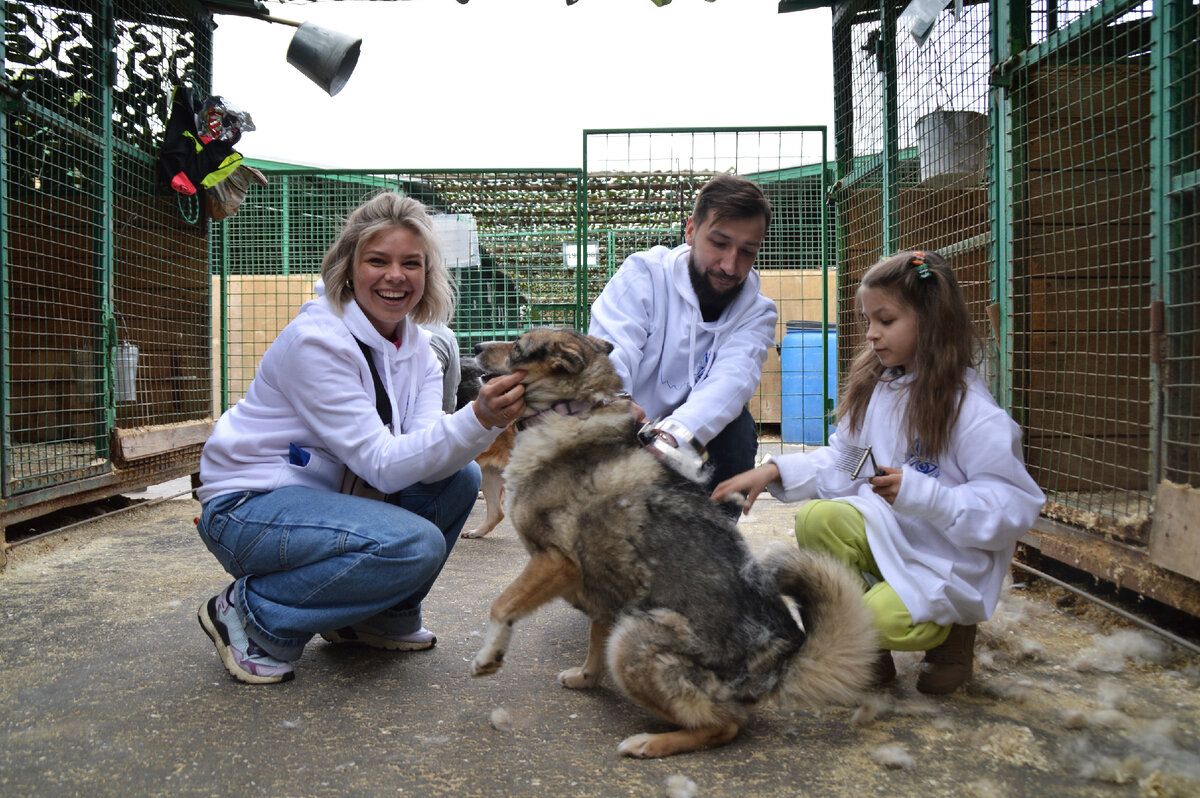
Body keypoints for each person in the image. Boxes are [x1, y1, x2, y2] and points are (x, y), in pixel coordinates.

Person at [194, 192, 526, 684]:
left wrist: (481, 423)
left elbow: (426, 452)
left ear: (427, 274)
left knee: (458, 478)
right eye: (378, 260)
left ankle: (375, 619)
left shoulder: (415, 347)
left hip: (324, 502)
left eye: (411, 263)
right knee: (413, 545)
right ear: (348, 267)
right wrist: (479, 418)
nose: (396, 275)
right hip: (248, 507)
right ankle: (253, 613)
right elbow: (383, 466)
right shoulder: (318, 341)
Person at [712, 250, 1045, 694]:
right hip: (891, 537)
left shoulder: (973, 413)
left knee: (860, 621)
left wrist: (924, 495)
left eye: (885, 321)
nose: (871, 334)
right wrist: (773, 471)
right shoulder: (879, 389)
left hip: (945, 560)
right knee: (818, 519)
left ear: (931, 320)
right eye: (869, 320)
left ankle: (954, 633)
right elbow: (848, 462)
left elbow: (1013, 507)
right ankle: (875, 658)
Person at [588, 174, 777, 515]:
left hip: (684, 441)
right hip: (625, 429)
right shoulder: (643, 274)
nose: (730, 265)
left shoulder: (757, 312)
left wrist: (672, 436)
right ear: (691, 231)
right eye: (719, 243)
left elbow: (731, 383)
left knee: (738, 429)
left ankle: (709, 549)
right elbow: (611, 348)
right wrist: (618, 402)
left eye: (747, 251)